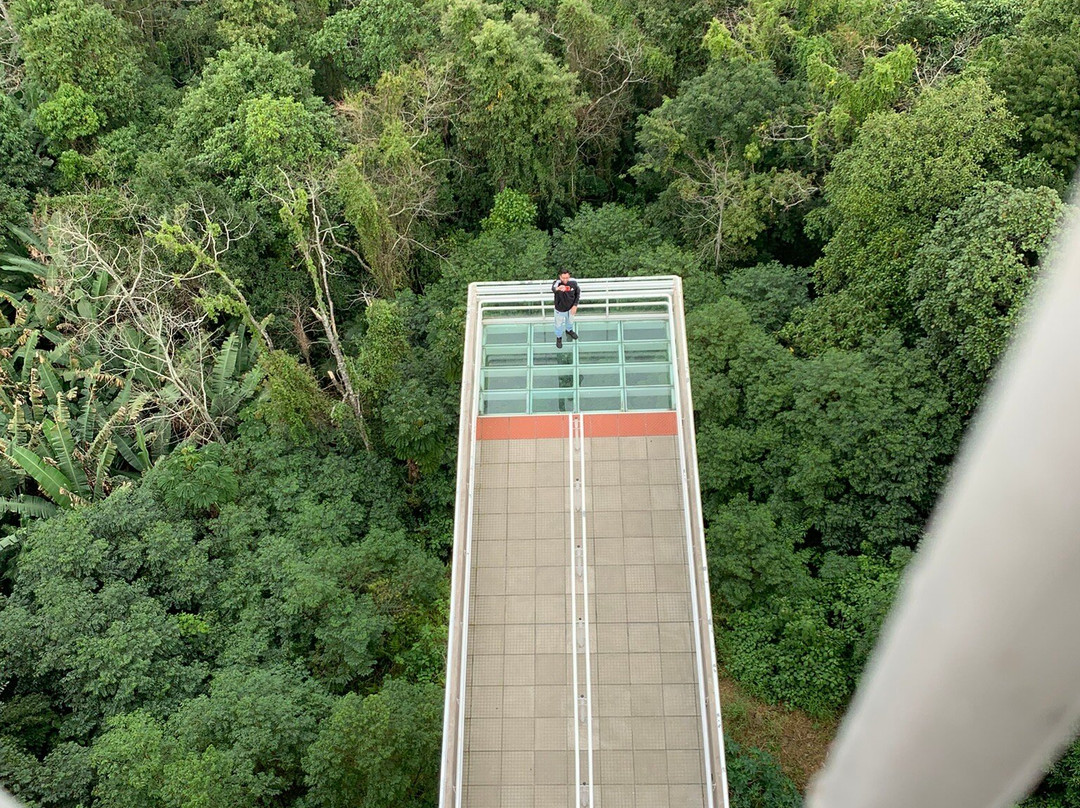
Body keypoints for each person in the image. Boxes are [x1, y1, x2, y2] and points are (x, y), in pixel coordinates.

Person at [551, 270, 580, 349]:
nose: (565, 280)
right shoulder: (557, 283)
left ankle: (569, 330)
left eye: (567, 277)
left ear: (569, 276)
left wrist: (575, 305)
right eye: (563, 278)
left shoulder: (573, 282)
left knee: (570, 321)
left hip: (570, 309)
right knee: (558, 325)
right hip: (559, 310)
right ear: (560, 277)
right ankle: (559, 337)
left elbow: (577, 293)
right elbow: (553, 288)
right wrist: (558, 288)